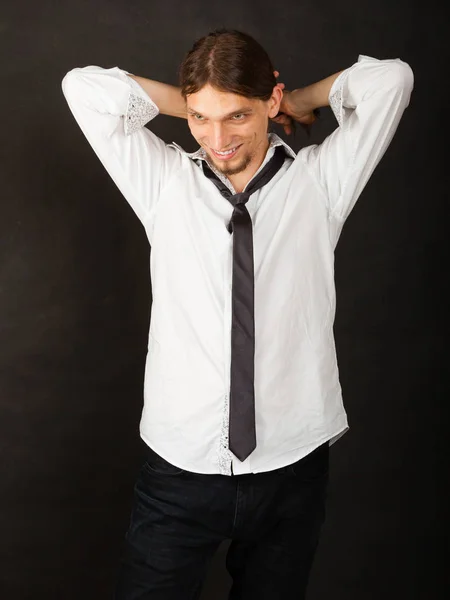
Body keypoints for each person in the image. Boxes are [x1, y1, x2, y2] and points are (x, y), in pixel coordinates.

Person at [61, 28, 414, 600]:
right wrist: (200, 98)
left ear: (269, 104)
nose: (217, 138)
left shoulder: (320, 184)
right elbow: (83, 89)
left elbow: (390, 80)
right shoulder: (163, 182)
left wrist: (297, 101)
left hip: (291, 468)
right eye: (201, 118)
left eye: (237, 117)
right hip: (179, 469)